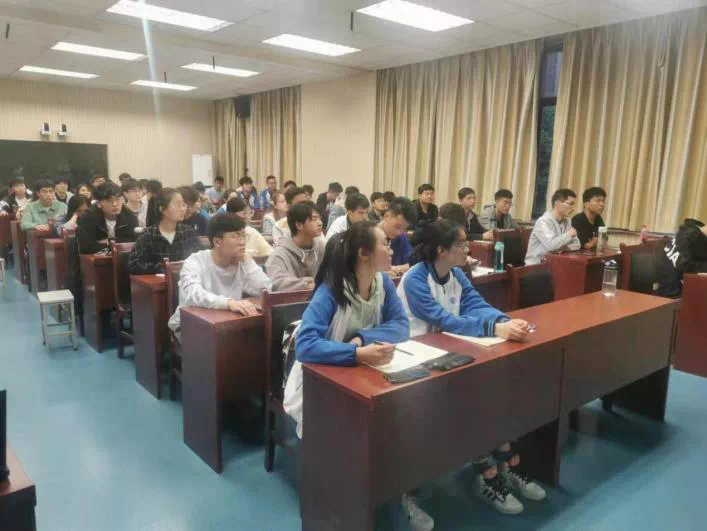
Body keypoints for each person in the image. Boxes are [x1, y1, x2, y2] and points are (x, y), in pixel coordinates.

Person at [398, 219, 545, 517]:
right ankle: (480, 474)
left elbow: (476, 305)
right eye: (462, 244)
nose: (468, 249)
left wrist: (504, 320)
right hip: (417, 365)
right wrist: (493, 327)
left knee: (498, 392)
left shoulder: (455, 274)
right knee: (473, 404)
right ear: (442, 250)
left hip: (450, 355)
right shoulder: (416, 278)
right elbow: (443, 319)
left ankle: (502, 467)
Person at [282, 221, 424, 530]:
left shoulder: (383, 283)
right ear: (364, 253)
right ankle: (342, 498)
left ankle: (388, 489)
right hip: (322, 379)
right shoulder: (331, 290)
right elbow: (306, 346)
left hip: (367, 371)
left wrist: (362, 339)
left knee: (401, 420)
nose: (391, 250)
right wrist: (355, 353)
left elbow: (401, 326)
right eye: (384, 244)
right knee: (349, 439)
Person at [167, 213, 272, 335]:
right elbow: (194, 294)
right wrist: (228, 303)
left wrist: (248, 261)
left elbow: (266, 290)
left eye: (244, 235)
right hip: (190, 325)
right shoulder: (195, 262)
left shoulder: (241, 262)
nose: (242, 242)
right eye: (236, 236)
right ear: (217, 242)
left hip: (227, 324)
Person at [128, 188, 201, 275]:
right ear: (162, 208)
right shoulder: (148, 235)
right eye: (178, 205)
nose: (182, 209)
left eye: (183, 205)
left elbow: (199, 260)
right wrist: (164, 268)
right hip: (160, 282)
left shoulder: (188, 232)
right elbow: (134, 265)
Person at [265, 202, 325, 291]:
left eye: (320, 219)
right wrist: (307, 284)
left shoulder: (321, 247)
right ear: (299, 225)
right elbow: (276, 283)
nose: (320, 223)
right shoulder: (279, 255)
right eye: (314, 219)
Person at [77, 182, 138, 254]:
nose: (115, 204)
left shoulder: (130, 216)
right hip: (96, 258)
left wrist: (107, 242)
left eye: (118, 199)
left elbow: (133, 244)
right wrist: (113, 244)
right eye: (109, 201)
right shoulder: (88, 217)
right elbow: (85, 247)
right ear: (99, 204)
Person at [525, 188, 581, 265]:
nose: (573, 208)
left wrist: (561, 247)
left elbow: (577, 244)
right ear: (557, 203)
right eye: (570, 204)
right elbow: (551, 245)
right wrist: (569, 235)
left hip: (555, 264)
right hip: (536, 267)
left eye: (574, 205)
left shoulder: (567, 221)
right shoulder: (543, 221)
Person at [655, 219, 707, 298]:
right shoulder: (693, 238)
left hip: (672, 287)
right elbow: (684, 265)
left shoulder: (689, 230)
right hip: (672, 295)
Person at [378, 197, 416, 276]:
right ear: (386, 216)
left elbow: (412, 264)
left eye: (404, 229)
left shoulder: (402, 237)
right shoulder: (368, 237)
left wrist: (394, 268)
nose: (399, 232)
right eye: (397, 227)